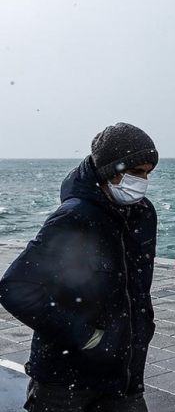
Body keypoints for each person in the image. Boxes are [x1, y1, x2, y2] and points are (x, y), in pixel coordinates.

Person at [0, 122, 159, 412]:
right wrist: (83, 335)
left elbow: (137, 284)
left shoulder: (143, 214)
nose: (142, 181)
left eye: (148, 173)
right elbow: (14, 287)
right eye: (135, 172)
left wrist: (142, 326)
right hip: (65, 379)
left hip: (125, 374)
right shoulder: (75, 216)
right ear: (109, 170)